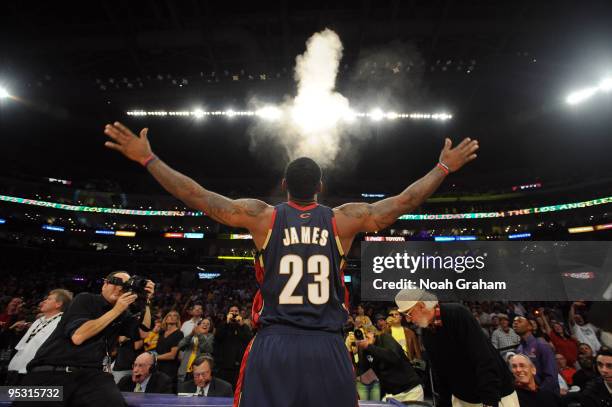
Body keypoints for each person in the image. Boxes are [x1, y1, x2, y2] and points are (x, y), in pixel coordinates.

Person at [103, 121, 478, 407]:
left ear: (284, 184)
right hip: (327, 346)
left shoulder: (262, 217)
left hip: (274, 343)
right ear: (321, 186)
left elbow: (196, 195)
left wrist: (148, 158)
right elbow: (404, 201)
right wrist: (443, 168)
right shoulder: (343, 219)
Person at [19, 271, 154, 407]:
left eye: (125, 286)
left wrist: (146, 301)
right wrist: (117, 310)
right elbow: (78, 336)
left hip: (93, 376)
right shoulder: (85, 299)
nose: (120, 288)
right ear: (104, 284)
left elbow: (142, 332)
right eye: (116, 282)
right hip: (50, 373)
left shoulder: (123, 313)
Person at [396, 289, 519, 407]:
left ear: (421, 305)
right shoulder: (427, 333)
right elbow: (440, 372)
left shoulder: (457, 313)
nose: (408, 319)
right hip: (463, 398)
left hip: (495, 395)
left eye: (408, 313)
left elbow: (483, 358)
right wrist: (444, 403)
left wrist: (490, 401)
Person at [6, 289, 73, 385]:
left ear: (58, 304)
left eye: (49, 299)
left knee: (26, 399)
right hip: (18, 367)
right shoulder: (39, 320)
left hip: (36, 372)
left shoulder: (62, 323)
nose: (44, 301)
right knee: (6, 398)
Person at [352, 326, 423, 402]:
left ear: (373, 333)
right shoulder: (366, 351)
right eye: (361, 336)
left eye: (366, 334)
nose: (364, 338)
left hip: (410, 391)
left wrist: (368, 346)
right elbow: (364, 376)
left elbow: (393, 357)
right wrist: (354, 352)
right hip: (392, 395)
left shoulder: (384, 337)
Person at [513, 315, 560, 394]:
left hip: (547, 394)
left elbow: (551, 375)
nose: (515, 323)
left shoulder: (541, 344)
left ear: (529, 327)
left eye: (519, 321)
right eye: (514, 321)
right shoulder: (518, 350)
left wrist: (539, 392)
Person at [214, 305, 252, 387]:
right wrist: (227, 323)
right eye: (232, 311)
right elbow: (218, 337)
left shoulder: (244, 326)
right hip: (224, 364)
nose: (234, 313)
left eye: (236, 311)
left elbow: (249, 340)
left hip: (239, 364)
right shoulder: (222, 325)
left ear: (239, 314)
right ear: (228, 313)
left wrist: (242, 325)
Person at [178, 317, 214, 383]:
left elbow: (207, 349)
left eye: (208, 324)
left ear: (210, 328)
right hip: (185, 369)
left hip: (199, 370)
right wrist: (191, 334)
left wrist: (199, 334)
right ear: (198, 325)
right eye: (203, 323)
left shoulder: (211, 337)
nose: (205, 325)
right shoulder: (192, 336)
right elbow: (180, 345)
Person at [155, 310, 183, 383]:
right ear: (166, 319)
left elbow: (172, 355)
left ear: (177, 320)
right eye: (170, 315)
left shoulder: (179, 334)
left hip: (170, 369)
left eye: (175, 316)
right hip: (158, 367)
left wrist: (154, 357)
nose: (172, 317)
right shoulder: (161, 333)